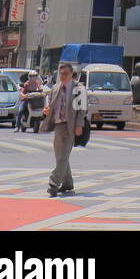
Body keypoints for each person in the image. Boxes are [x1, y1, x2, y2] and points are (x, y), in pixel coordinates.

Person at [40, 62, 86, 197]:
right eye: (61, 74)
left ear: (72, 74)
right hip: (58, 125)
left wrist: (79, 125)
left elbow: (82, 109)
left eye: (65, 74)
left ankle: (53, 184)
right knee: (60, 156)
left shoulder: (78, 88)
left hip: (70, 126)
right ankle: (68, 183)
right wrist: (46, 111)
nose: (62, 76)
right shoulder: (55, 88)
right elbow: (50, 104)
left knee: (63, 156)